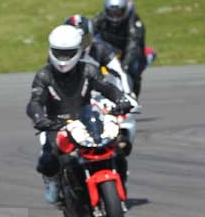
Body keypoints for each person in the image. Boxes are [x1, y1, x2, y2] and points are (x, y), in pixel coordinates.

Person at [26, 24, 132, 203]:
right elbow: (35, 101)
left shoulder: (88, 70)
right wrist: (39, 118)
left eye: (68, 53)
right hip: (56, 124)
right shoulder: (44, 75)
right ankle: (53, 184)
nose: (63, 58)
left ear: (78, 51)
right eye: (59, 52)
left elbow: (107, 87)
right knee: (48, 160)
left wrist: (121, 99)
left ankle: (120, 179)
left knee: (118, 146)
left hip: (86, 119)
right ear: (51, 51)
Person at [64, 14, 133, 95]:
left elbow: (120, 72)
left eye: (84, 39)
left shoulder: (99, 49)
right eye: (75, 40)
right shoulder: (58, 54)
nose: (80, 45)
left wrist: (128, 94)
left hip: (95, 96)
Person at [92, 0, 146, 96]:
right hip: (108, 49)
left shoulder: (134, 23)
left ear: (125, 10)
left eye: (118, 13)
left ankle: (132, 96)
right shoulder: (101, 18)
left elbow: (133, 46)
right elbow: (90, 31)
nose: (115, 17)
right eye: (112, 13)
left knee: (133, 70)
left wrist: (124, 65)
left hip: (127, 52)